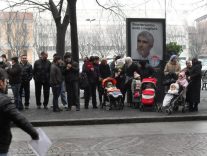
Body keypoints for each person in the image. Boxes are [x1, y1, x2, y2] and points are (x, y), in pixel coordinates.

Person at [0, 68, 39, 156]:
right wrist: (34, 134)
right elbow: (19, 119)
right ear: (1, 83)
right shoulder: (4, 101)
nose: (6, 83)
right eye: (6, 81)